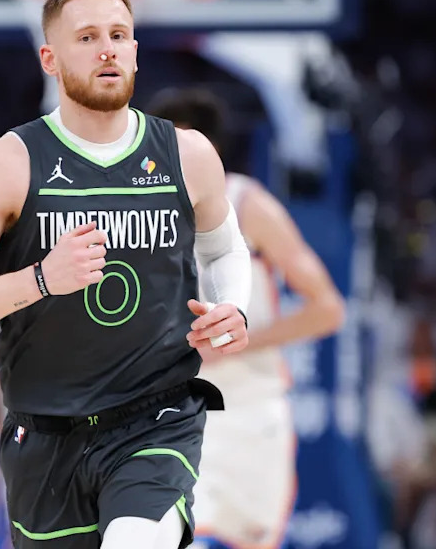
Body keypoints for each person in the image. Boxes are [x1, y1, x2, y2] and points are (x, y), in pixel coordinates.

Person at [0, 0, 253, 549]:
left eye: (119, 35)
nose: (107, 49)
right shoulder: (7, 164)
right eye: (88, 36)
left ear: (136, 52)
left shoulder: (188, 155)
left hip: (155, 419)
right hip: (45, 437)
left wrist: (234, 308)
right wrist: (42, 278)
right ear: (49, 57)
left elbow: (223, 246)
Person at [148, 87, 345, 549]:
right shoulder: (140, 211)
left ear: (210, 150)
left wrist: (237, 340)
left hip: (249, 410)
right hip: (169, 410)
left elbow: (328, 309)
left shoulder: (249, 204)